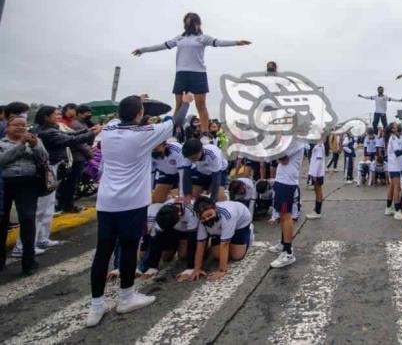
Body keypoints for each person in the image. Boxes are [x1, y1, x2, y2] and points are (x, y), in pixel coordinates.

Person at [85, 92, 192, 328]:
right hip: (132, 203)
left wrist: (135, 99)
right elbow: (177, 120)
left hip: (106, 202)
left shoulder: (109, 129)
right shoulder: (144, 136)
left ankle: (96, 306)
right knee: (129, 246)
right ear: (140, 114)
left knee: (102, 253)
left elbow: (120, 115)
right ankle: (126, 297)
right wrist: (186, 101)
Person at [132, 11, 251, 133]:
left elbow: (219, 42)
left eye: (192, 22)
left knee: (201, 105)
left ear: (198, 24)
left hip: (198, 74)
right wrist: (143, 50)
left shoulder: (203, 38)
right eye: (187, 22)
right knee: (179, 104)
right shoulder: (179, 38)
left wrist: (236, 42)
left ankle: (205, 133)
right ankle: (172, 131)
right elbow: (162, 46)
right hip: (182, 73)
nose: (189, 25)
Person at [34, 106, 100, 251]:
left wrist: (89, 131)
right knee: (42, 207)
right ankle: (30, 243)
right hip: (47, 169)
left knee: (49, 205)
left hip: (55, 167)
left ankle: (43, 238)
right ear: (46, 117)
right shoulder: (46, 132)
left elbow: (71, 135)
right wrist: (90, 133)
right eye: (55, 114)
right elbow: (70, 140)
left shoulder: (53, 128)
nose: (58, 116)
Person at [0, 116, 48, 275]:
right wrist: (21, 145)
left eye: (23, 125)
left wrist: (35, 147)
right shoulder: (2, 143)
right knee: (2, 221)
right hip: (4, 184)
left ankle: (29, 261)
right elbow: (2, 160)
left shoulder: (35, 140)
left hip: (28, 185)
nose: (21, 128)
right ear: (7, 127)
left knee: (28, 219)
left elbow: (43, 159)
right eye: (16, 125)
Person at [178, 197, 252, 283]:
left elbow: (224, 245)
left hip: (240, 224)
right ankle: (227, 236)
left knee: (236, 256)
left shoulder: (227, 215)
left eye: (209, 215)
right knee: (217, 255)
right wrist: (196, 269)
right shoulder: (202, 222)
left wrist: (221, 271)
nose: (207, 219)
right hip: (218, 229)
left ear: (215, 209)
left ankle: (248, 233)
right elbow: (200, 244)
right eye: (203, 218)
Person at [268, 141, 306, 268]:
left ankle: (288, 252)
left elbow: (282, 158)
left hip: (287, 183)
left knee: (286, 215)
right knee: (282, 215)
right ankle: (284, 243)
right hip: (281, 180)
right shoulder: (289, 139)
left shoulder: (296, 141)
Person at [385, 122, 402, 217]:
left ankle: (388, 208)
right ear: (393, 129)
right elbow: (397, 152)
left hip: (393, 166)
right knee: (397, 187)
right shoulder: (393, 138)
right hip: (395, 166)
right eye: (396, 126)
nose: (398, 126)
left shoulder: (394, 137)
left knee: (392, 187)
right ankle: (397, 211)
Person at [306, 139, 326, 219]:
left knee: (318, 191)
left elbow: (318, 160)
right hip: (317, 172)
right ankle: (317, 209)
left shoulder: (319, 145)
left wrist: (314, 175)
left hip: (317, 173)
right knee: (317, 190)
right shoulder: (318, 144)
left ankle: (317, 212)